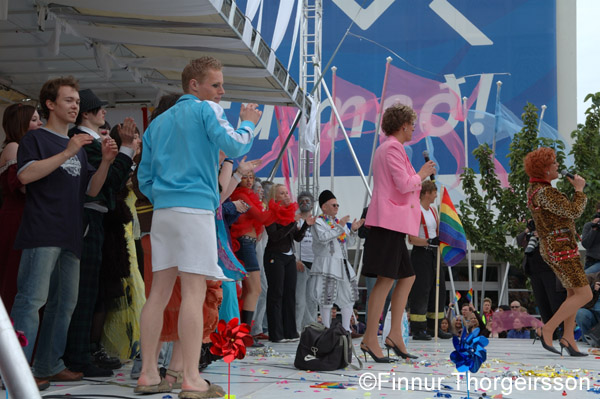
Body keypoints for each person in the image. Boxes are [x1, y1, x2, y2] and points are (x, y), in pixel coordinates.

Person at [136, 56, 261, 397]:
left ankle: (148, 373)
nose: (222, 91)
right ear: (195, 85)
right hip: (194, 211)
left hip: (163, 212)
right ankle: (191, 378)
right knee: (193, 291)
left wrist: (167, 193)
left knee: (159, 292)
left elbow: (143, 178)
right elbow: (235, 144)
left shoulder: (157, 124)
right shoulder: (207, 110)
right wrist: (248, 123)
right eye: (216, 84)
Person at [10, 76, 117, 387]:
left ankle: (48, 363)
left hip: (72, 234)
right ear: (50, 104)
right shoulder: (36, 140)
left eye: (77, 102)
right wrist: (68, 151)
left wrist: (107, 163)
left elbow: (90, 191)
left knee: (65, 303)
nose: (75, 106)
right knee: (31, 300)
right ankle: (16, 370)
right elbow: (25, 175)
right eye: (69, 100)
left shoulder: (79, 148)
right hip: (42, 231)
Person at [64, 89, 137, 377]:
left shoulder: (95, 141)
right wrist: (127, 150)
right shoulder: (84, 141)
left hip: (97, 220)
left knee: (92, 292)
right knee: (84, 292)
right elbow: (111, 181)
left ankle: (82, 353)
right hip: (88, 217)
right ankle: (78, 356)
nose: (104, 112)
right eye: (99, 108)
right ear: (87, 113)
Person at [360, 103, 436, 362]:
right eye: (412, 124)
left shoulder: (394, 148)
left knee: (407, 277)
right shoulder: (392, 147)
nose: (414, 128)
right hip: (387, 222)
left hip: (394, 223)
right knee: (385, 281)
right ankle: (371, 338)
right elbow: (404, 184)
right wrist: (422, 173)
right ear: (403, 125)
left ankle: (394, 335)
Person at [525, 147, 592, 356]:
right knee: (585, 293)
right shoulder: (545, 192)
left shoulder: (536, 190)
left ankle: (568, 338)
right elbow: (573, 211)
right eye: (553, 163)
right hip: (560, 246)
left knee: (573, 292)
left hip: (556, 246)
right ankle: (548, 328)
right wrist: (579, 190)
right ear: (545, 169)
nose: (557, 166)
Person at [0, 104, 42, 314]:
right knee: (15, 279)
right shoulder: (14, 147)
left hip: (25, 219)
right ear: (21, 123)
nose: (40, 123)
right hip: (16, 221)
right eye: (34, 120)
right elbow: (23, 186)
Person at [264, 184, 314, 343]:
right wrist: (291, 222)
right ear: (275, 196)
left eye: (287, 193)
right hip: (275, 255)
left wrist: (306, 224)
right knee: (276, 294)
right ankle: (276, 334)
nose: (286, 195)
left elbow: (297, 237)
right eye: (282, 193)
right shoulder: (270, 214)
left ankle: (290, 332)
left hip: (289, 256)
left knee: (289, 294)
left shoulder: (290, 214)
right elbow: (275, 236)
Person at [230, 170, 275, 346]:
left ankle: (243, 334)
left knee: (252, 290)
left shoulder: (246, 195)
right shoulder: (241, 195)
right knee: (254, 289)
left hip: (248, 243)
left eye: (251, 177)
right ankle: (243, 335)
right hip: (245, 244)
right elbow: (262, 217)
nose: (248, 181)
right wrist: (278, 209)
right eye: (245, 177)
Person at [309, 189, 363, 332]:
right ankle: (326, 329)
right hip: (326, 264)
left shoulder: (339, 223)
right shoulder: (318, 222)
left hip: (342, 264)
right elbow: (323, 238)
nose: (337, 207)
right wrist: (341, 227)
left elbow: (347, 243)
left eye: (337, 205)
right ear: (324, 207)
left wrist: (353, 231)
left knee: (348, 296)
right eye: (333, 205)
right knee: (325, 297)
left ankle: (346, 329)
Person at [407, 181, 451, 340]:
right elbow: (411, 238)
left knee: (437, 289)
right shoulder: (415, 210)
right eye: (434, 192)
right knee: (421, 290)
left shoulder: (432, 210)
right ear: (426, 193)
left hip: (434, 253)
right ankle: (418, 329)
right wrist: (427, 241)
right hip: (421, 253)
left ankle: (435, 327)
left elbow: (438, 229)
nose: (435, 195)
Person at [517, 220, 566, 325]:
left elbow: (560, 243)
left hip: (550, 271)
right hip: (534, 272)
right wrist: (528, 229)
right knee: (541, 302)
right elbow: (519, 241)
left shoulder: (553, 227)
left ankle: (561, 328)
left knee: (554, 301)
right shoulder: (530, 234)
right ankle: (549, 329)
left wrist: (544, 235)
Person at [294, 191, 318, 334]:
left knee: (312, 298)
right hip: (300, 263)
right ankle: (296, 328)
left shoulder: (318, 221)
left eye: (308, 201)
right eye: (302, 201)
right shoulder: (296, 220)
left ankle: (311, 328)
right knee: (299, 300)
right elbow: (292, 241)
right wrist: (296, 259)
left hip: (314, 263)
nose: (305, 203)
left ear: (312, 204)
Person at [575, 272, 600, 345]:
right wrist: (593, 290)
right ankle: (588, 339)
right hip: (592, 315)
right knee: (580, 313)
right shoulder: (591, 278)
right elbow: (579, 301)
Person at [581, 202, 600, 274]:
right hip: (590, 261)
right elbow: (585, 244)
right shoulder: (589, 226)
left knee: (584, 278)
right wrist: (594, 229)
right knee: (582, 282)